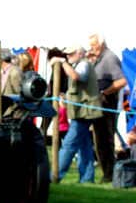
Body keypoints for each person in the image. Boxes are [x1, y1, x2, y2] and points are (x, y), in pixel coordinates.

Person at [52, 46, 102, 183]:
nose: (68, 56)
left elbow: (75, 76)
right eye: (66, 55)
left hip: (84, 113)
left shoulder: (84, 64)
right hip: (82, 112)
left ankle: (55, 176)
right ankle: (87, 178)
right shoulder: (79, 64)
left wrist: (62, 63)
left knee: (69, 145)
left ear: (80, 53)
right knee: (84, 146)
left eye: (71, 54)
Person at [89, 33, 127, 182]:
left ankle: (110, 173)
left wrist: (104, 92)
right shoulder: (99, 58)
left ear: (101, 43)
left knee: (105, 140)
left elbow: (122, 81)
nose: (91, 48)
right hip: (99, 106)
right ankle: (107, 172)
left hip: (107, 105)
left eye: (94, 45)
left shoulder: (110, 58)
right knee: (99, 140)